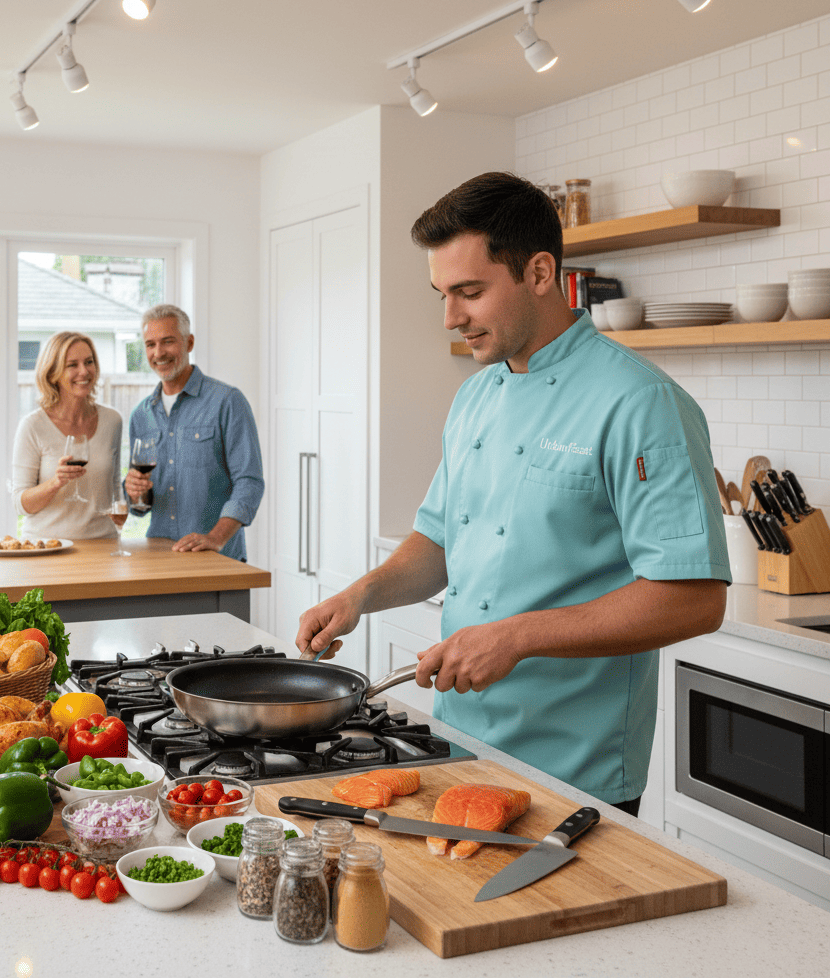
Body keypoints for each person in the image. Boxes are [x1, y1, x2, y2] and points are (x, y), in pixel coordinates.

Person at [296, 172, 730, 815]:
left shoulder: (642, 402)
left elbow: (693, 599)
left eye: (470, 292)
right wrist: (359, 596)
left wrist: (516, 637)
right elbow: (440, 540)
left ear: (539, 272)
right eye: (444, 294)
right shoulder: (475, 396)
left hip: (575, 766)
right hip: (459, 741)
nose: (451, 317)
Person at [124, 304, 264, 560]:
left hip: (217, 559)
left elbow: (249, 481)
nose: (158, 353)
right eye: (150, 344)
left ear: (189, 343)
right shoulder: (140, 416)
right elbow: (140, 507)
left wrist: (216, 538)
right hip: (160, 557)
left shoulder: (227, 401)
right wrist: (135, 491)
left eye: (168, 342)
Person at [11, 330, 122, 540]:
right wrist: (56, 482)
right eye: (72, 365)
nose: (84, 371)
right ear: (53, 372)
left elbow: (115, 487)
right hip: (47, 547)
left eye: (89, 362)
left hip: (103, 545)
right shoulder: (33, 426)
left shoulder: (112, 420)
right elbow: (20, 504)